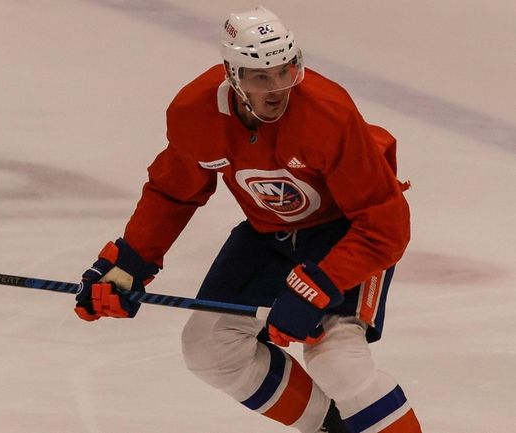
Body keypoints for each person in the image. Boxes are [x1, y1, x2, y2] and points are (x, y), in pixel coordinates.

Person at [74, 7, 422, 433]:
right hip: (268, 233)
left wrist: (321, 285)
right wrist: (127, 265)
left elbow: (385, 224)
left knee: (337, 362)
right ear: (232, 74)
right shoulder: (193, 112)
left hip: (344, 234)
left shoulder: (327, 113)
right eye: (262, 77)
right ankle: (334, 428)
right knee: (209, 349)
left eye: (286, 71)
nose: (278, 88)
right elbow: (173, 191)